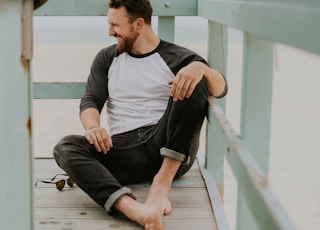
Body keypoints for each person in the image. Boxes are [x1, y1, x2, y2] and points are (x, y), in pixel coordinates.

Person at [53, 0, 228, 229]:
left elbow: (221, 89)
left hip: (168, 145)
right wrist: (93, 128)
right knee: (65, 147)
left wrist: (201, 69)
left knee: (195, 81)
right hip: (125, 150)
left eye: (115, 25)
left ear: (138, 24)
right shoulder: (106, 59)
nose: (110, 32)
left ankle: (161, 185)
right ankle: (134, 210)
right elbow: (90, 100)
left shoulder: (177, 57)